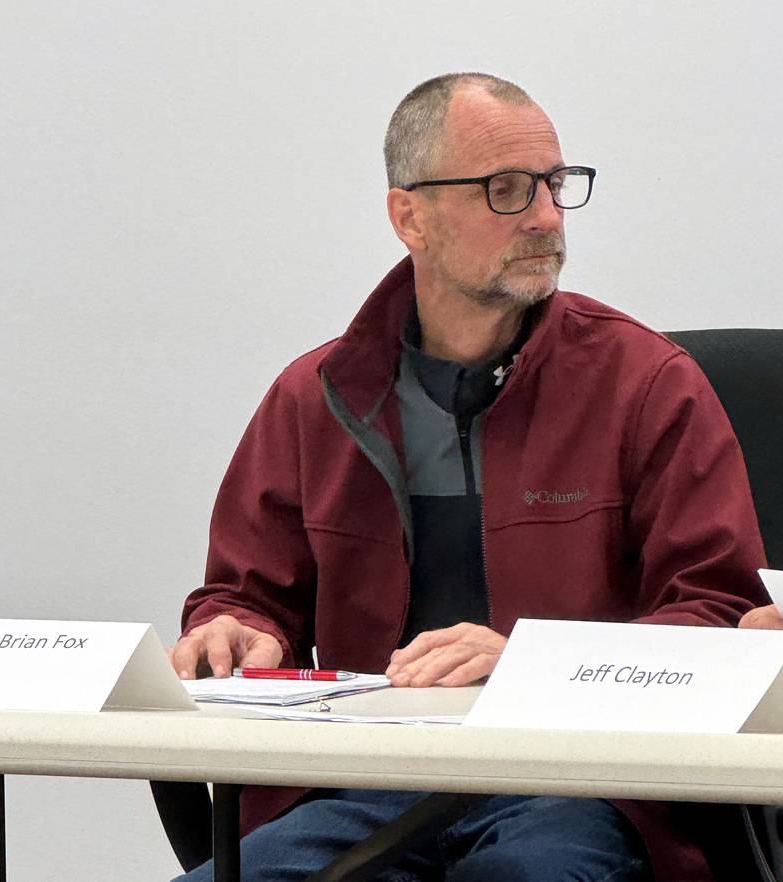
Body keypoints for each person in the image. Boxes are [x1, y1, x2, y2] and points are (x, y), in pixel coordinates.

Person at [169, 72, 768, 882]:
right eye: (507, 190)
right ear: (408, 215)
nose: (549, 217)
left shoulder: (648, 384)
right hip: (368, 783)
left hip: (578, 786)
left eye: (557, 185)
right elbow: (247, 593)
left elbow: (721, 616)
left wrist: (528, 661)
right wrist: (236, 627)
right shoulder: (316, 397)